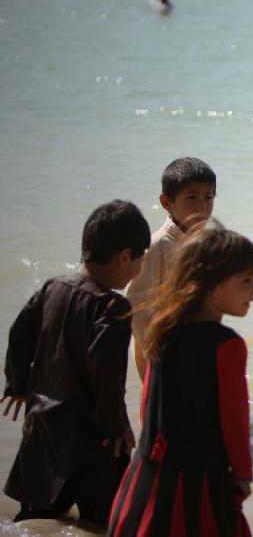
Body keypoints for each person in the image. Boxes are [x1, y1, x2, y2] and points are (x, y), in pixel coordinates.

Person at [2, 200, 150, 524]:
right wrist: (117, 426)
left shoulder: (52, 288)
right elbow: (105, 370)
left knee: (36, 517)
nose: (139, 267)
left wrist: (18, 385)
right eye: (140, 259)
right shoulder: (113, 306)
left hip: (43, 428)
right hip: (92, 438)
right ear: (124, 256)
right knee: (111, 521)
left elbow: (18, 335)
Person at [108, 220, 253, 537]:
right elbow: (234, 418)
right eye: (246, 281)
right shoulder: (227, 345)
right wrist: (243, 475)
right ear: (214, 284)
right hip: (195, 491)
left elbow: (149, 404)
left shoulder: (163, 331)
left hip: (140, 488)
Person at [127, 157, 216, 381]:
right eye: (191, 198)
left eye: (208, 197)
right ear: (167, 202)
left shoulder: (199, 242)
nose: (202, 207)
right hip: (163, 359)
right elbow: (136, 310)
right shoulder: (158, 246)